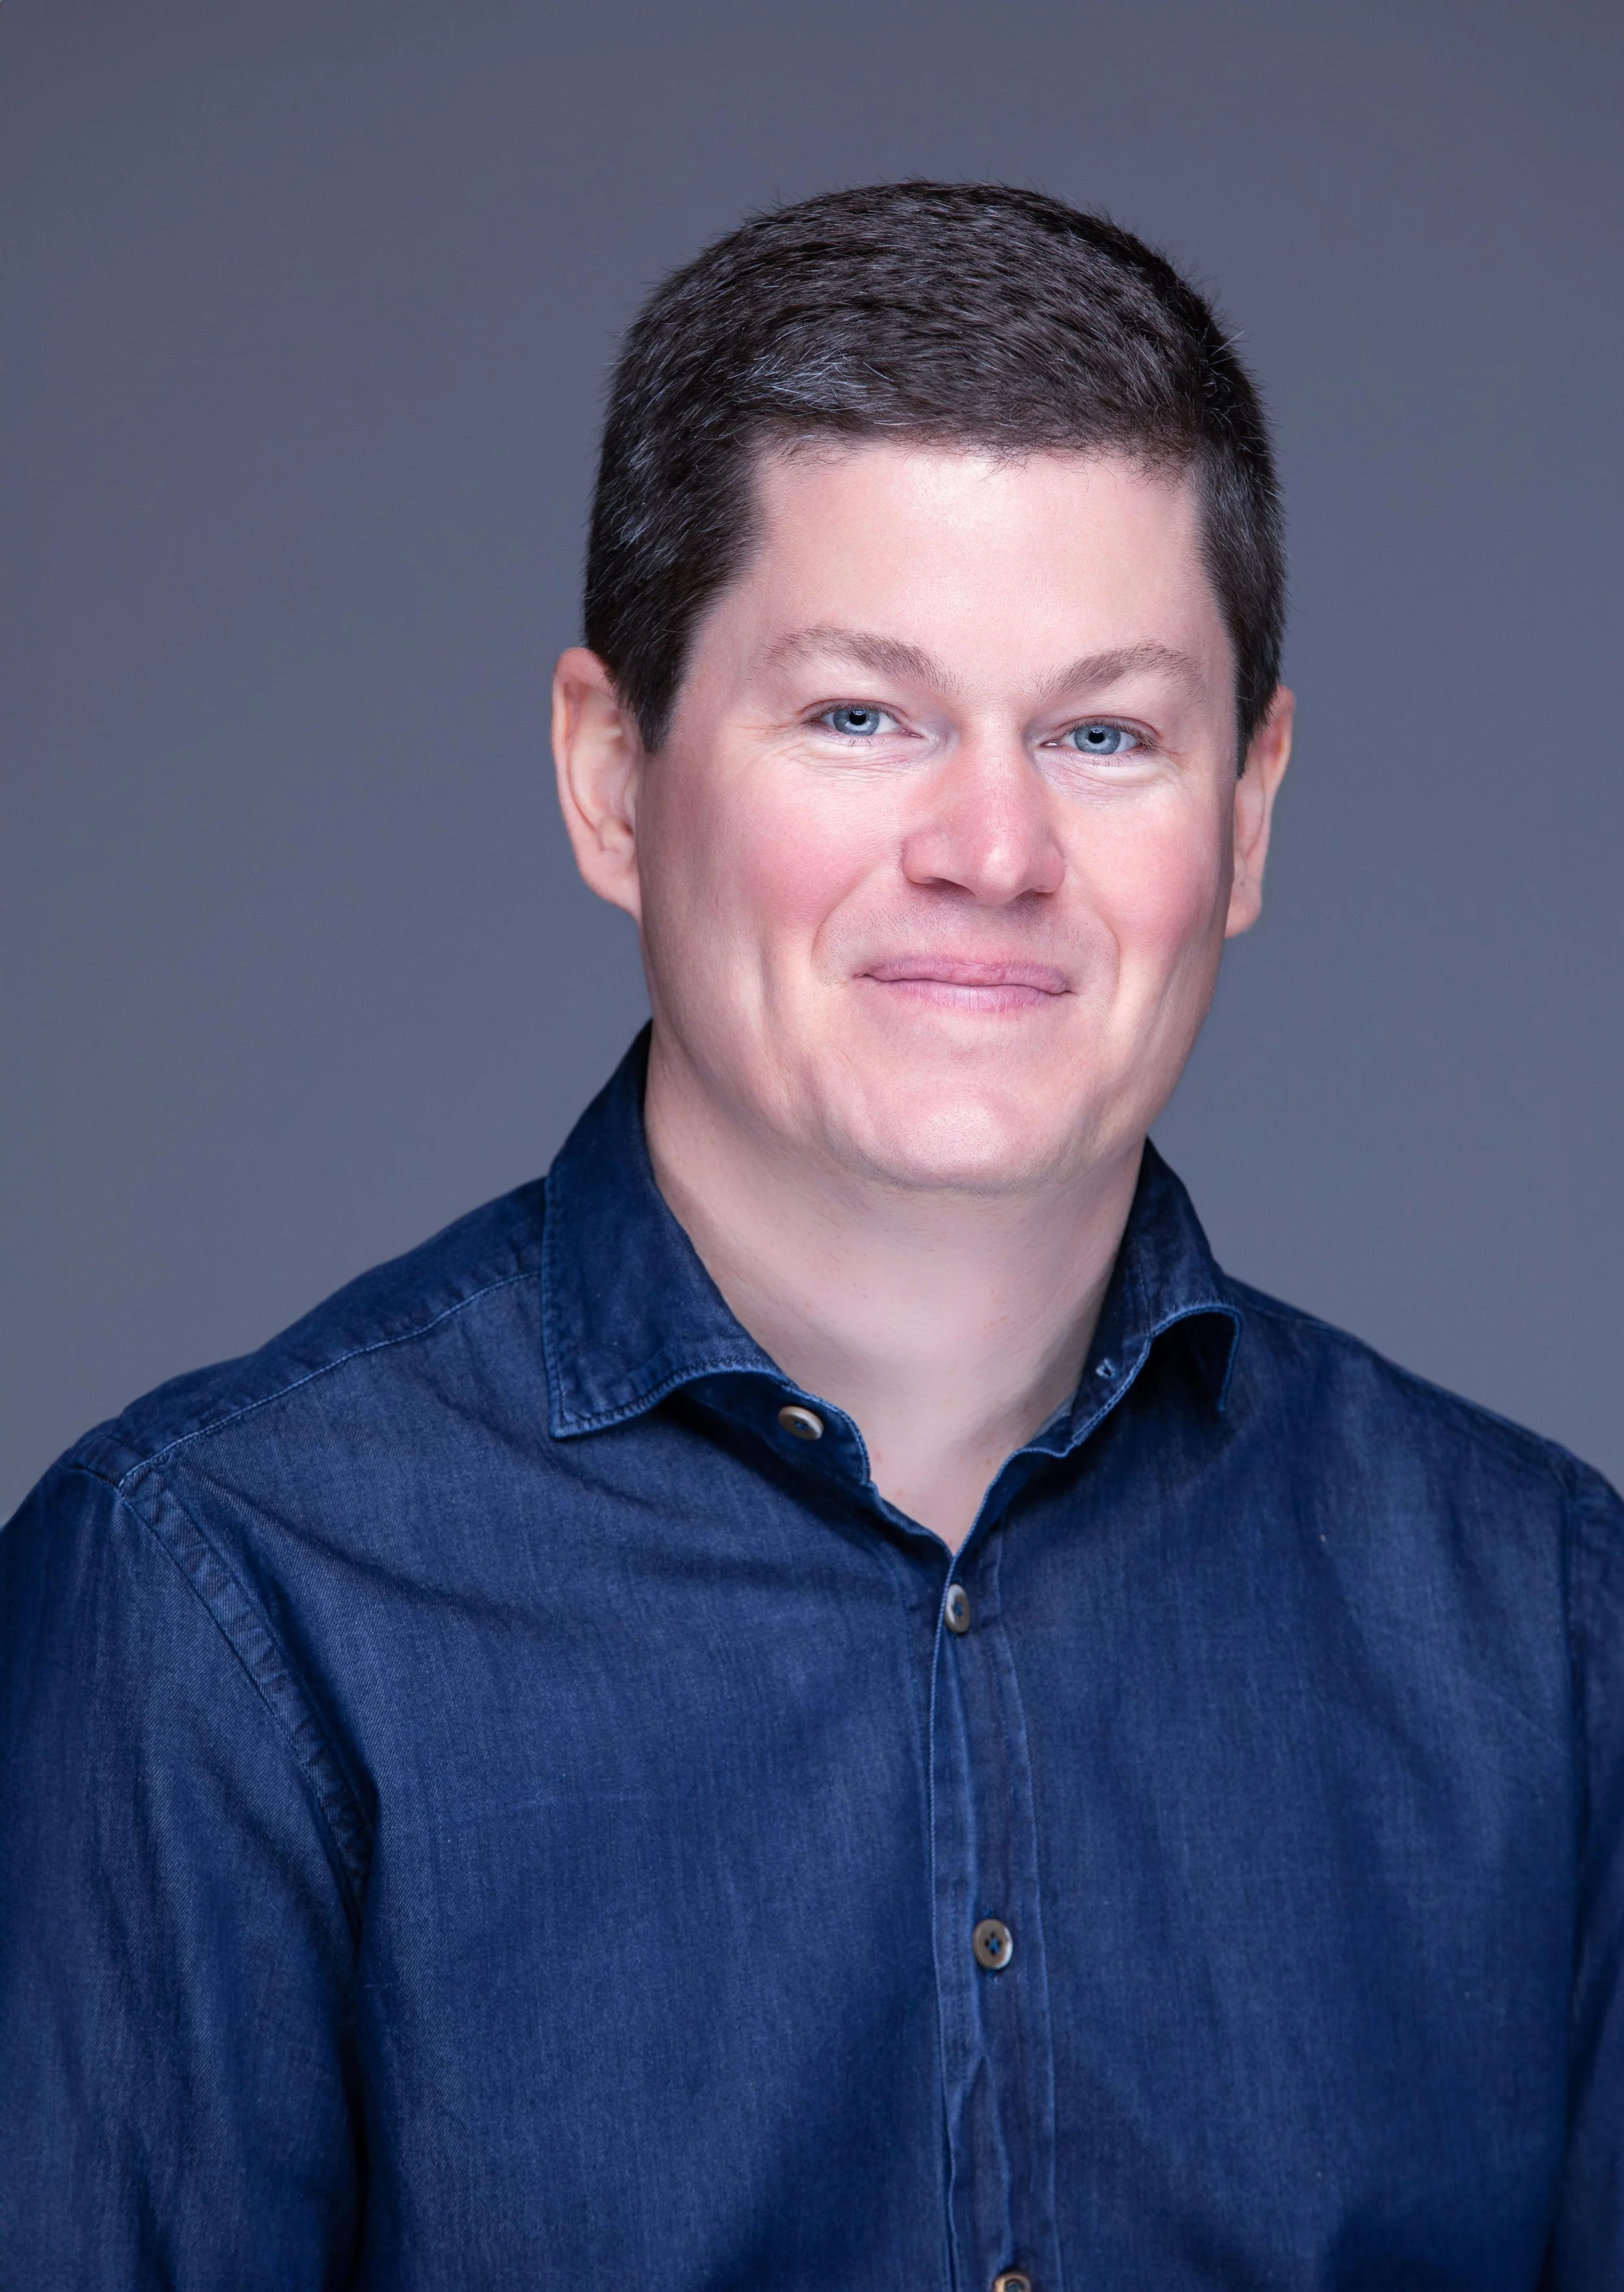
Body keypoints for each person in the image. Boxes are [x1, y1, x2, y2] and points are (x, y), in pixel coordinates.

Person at [1, 181, 1618, 2292]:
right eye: (861, 713)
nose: (991, 848)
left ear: (1246, 816)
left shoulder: (1550, 1633)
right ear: (608, 773)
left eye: (1104, 733)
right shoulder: (211, 1604)